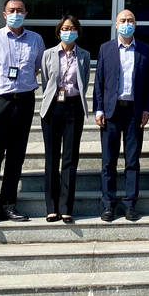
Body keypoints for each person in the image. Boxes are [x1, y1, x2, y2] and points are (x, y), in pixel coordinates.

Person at [0, 0, 45, 226]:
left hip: (24, 101)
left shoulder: (36, 39)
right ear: (4, 14)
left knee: (16, 156)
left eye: (20, 10)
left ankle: (8, 206)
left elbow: (37, 67)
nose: (16, 13)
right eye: (11, 10)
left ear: (26, 13)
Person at [93, 9, 149, 222]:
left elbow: (148, 83)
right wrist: (99, 109)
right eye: (123, 20)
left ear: (135, 24)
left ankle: (130, 204)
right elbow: (99, 82)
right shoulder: (106, 48)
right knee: (108, 161)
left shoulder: (144, 49)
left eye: (130, 20)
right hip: (111, 112)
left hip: (134, 112)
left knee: (132, 160)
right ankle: (108, 204)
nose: (127, 23)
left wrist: (147, 108)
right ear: (116, 24)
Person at [40, 16, 91, 223]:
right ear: (58, 31)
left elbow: (84, 81)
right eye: (65, 28)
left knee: (70, 158)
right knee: (52, 157)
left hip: (74, 106)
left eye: (72, 28)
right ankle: (51, 207)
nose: (68, 32)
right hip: (53, 106)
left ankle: (66, 207)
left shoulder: (84, 55)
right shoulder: (48, 54)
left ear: (78, 31)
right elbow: (45, 81)